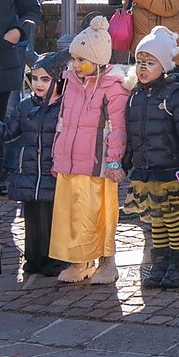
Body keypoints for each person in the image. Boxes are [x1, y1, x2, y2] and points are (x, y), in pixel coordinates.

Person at [51, 16, 128, 286]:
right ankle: (80, 261)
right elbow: (62, 122)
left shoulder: (112, 88)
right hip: (71, 162)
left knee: (99, 215)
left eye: (81, 60)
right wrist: (58, 156)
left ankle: (107, 262)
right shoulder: (71, 83)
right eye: (73, 59)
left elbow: (117, 128)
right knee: (74, 214)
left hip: (97, 165)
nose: (75, 65)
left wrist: (114, 161)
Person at [122, 28, 179, 292]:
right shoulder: (136, 95)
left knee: (173, 218)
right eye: (139, 62)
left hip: (170, 168)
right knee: (155, 219)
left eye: (150, 63)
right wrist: (127, 162)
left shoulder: (175, 95)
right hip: (146, 168)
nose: (143, 68)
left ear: (163, 66)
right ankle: (160, 263)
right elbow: (131, 134)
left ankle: (178, 265)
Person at [0, 50, 64, 281]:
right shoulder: (25, 106)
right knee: (33, 219)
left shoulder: (65, 106)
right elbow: (8, 132)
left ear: (58, 80)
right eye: (35, 78)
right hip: (30, 174)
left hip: (54, 173)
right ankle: (34, 258)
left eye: (45, 79)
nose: (39, 84)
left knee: (53, 218)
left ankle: (55, 259)